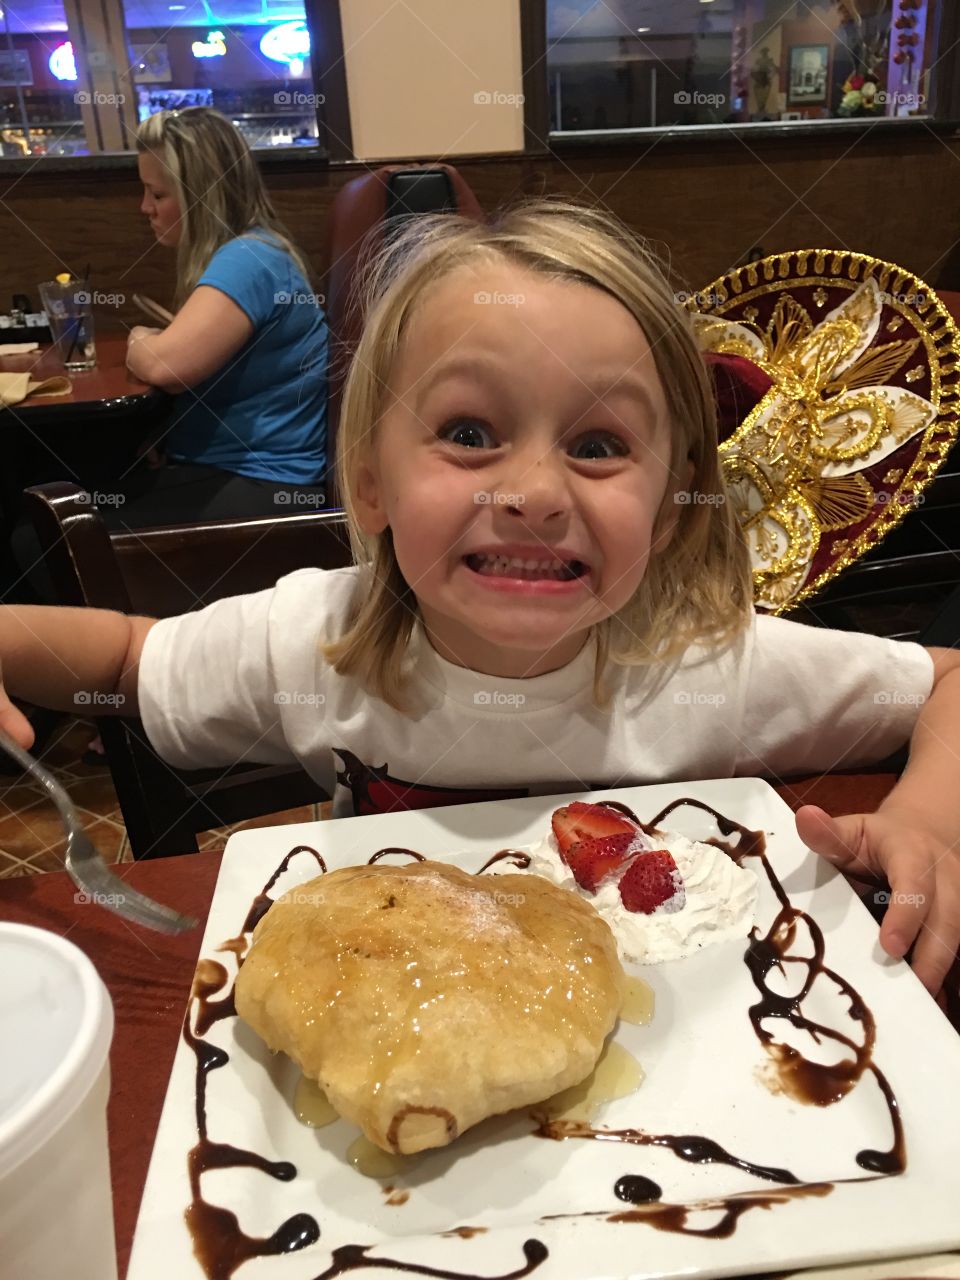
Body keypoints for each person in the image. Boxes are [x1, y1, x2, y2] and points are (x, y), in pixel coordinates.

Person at [0, 202, 958, 996]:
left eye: (597, 445)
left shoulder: (715, 667)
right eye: (468, 431)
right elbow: (122, 660)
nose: (536, 492)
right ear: (371, 483)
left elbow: (946, 681)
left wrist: (926, 815)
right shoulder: (310, 645)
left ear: (670, 508)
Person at [119, 105, 329, 524]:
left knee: (37, 537)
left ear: (202, 196)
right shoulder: (255, 251)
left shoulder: (248, 259)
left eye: (157, 194)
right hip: (245, 474)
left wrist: (138, 340)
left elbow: (166, 367)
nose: (145, 207)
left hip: (267, 485)